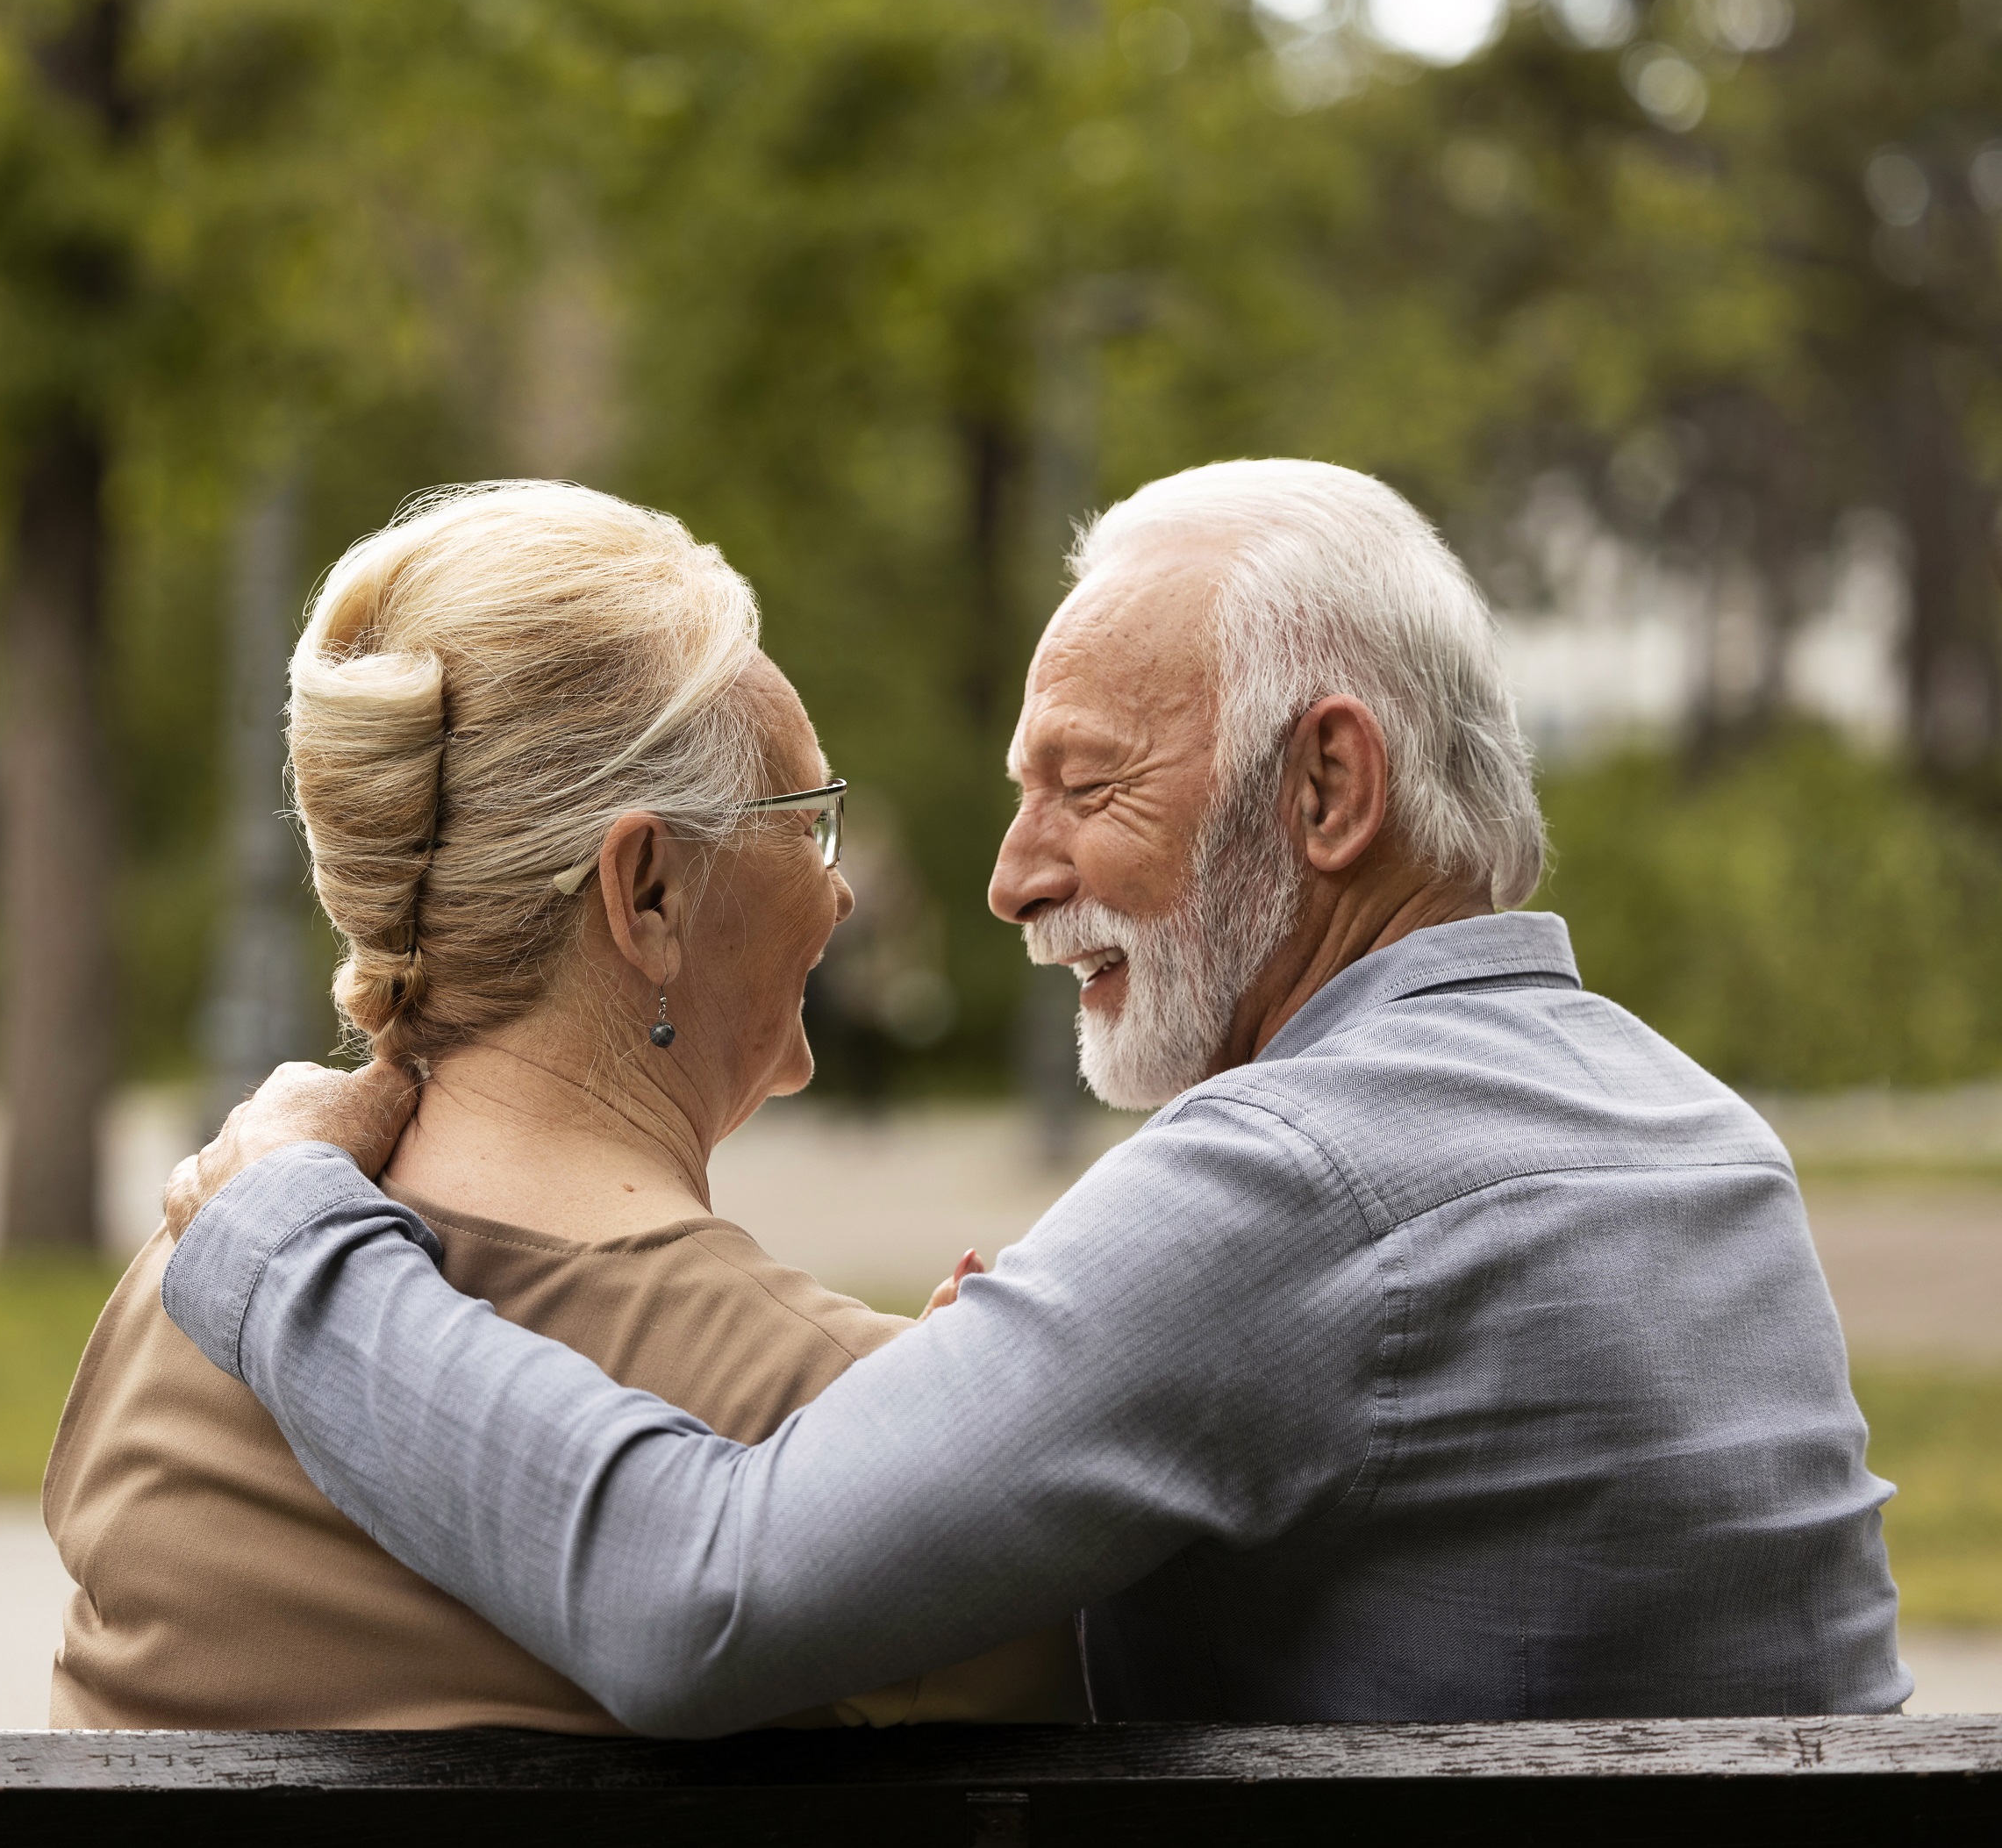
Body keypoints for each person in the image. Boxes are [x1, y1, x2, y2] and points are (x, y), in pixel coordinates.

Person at [155, 459, 1910, 1733]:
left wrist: (283, 1237)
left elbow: (700, 1601)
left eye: (1086, 784)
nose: (1010, 878)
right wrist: (1035, 1398)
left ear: (1326, 787)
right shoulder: (1700, 1138)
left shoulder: (1294, 1183)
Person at [43, 481, 1081, 1730]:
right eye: (809, 822)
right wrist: (953, 1419)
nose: (841, 892)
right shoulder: (843, 1426)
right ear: (647, 892)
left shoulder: (190, 1278)